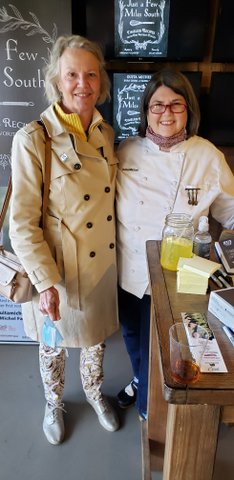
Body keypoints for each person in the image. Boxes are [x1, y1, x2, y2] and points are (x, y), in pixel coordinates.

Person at [9, 35, 119, 445]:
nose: (82, 84)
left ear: (101, 81)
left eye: (91, 74)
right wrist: (46, 281)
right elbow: (22, 223)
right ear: (57, 78)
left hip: (100, 264)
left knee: (94, 342)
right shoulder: (33, 138)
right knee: (51, 345)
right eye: (72, 74)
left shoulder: (106, 131)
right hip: (56, 270)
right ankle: (53, 401)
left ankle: (93, 393)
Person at [116, 67, 234, 420]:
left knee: (165, 349)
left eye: (176, 104)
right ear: (145, 110)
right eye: (157, 105)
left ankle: (148, 411)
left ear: (189, 110)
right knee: (133, 336)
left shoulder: (207, 156)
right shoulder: (126, 151)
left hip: (176, 278)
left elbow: (231, 213)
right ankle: (139, 379)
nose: (166, 112)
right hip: (127, 270)